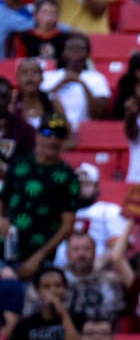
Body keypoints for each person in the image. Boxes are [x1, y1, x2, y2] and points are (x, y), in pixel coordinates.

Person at [0, 112, 78, 280]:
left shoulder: (68, 177)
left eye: (59, 134)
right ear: (37, 134)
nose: (52, 139)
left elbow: (67, 225)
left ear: (64, 140)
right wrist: (1, 218)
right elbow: (3, 197)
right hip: (4, 247)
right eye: (47, 133)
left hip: (40, 258)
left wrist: (38, 257)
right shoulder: (18, 164)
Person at [41, 33, 111, 130]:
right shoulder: (48, 76)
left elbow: (97, 116)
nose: (75, 52)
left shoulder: (97, 78)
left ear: (87, 53)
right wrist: (61, 83)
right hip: (54, 129)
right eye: (71, 48)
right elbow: (39, 105)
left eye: (80, 48)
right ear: (63, 52)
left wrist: (82, 83)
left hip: (87, 130)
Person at [12, 265, 80, 340]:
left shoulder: (77, 319)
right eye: (46, 287)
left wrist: (63, 314)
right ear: (37, 291)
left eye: (58, 285)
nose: (53, 291)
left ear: (65, 288)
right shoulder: (25, 325)